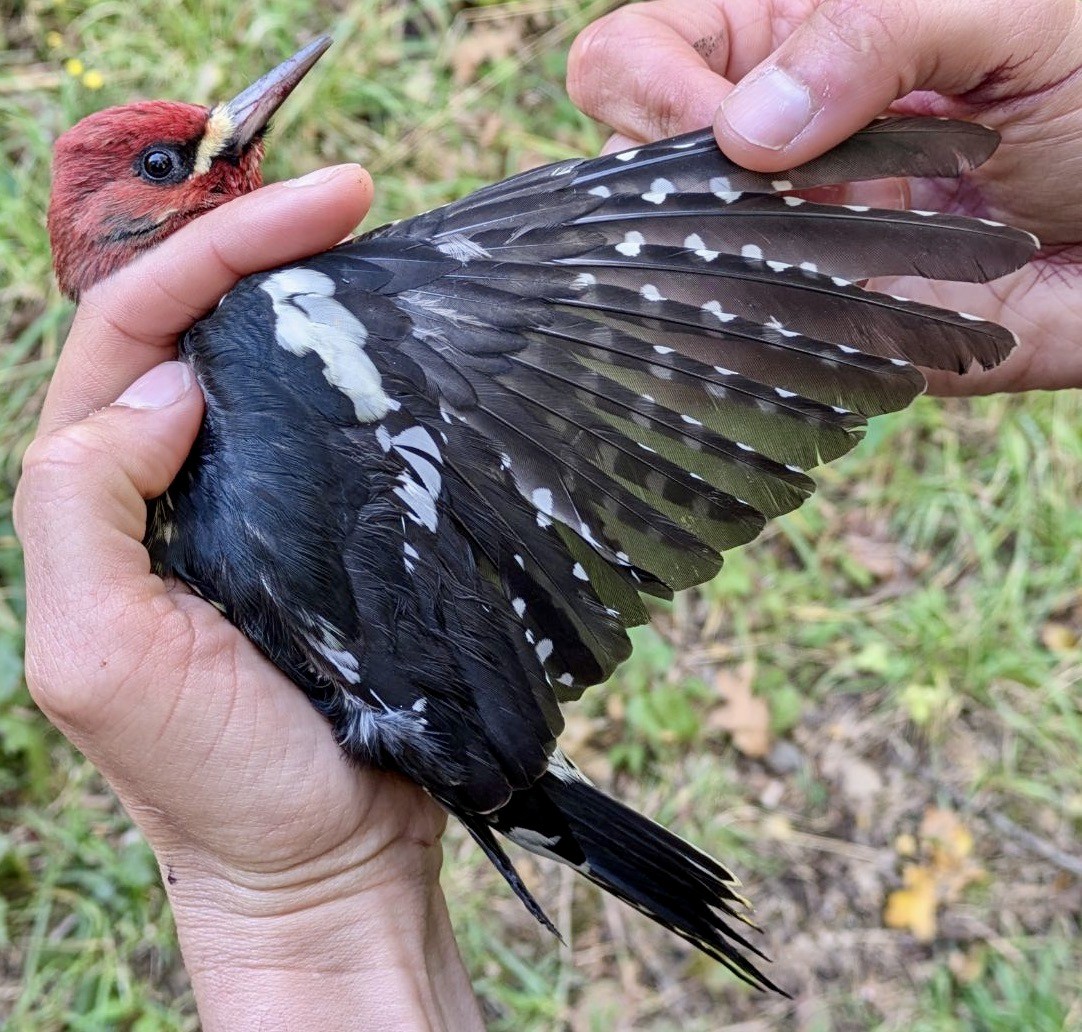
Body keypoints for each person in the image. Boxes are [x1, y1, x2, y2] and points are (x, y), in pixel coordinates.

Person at [15, 1, 1081, 1026]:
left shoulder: (213, 399)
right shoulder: (276, 336)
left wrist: (297, 895)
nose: (231, 131)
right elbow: (527, 301)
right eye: (166, 168)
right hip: (436, 716)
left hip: (422, 733)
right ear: (119, 223)